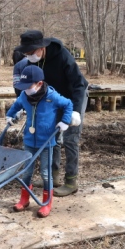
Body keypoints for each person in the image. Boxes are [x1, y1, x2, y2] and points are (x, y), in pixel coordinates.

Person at [13, 30, 88, 197]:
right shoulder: (25, 61)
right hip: (51, 100)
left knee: (70, 139)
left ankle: (71, 181)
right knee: (51, 138)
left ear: (42, 47)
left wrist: (75, 111)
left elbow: (79, 85)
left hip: (73, 98)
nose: (29, 56)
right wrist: (23, 107)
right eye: (26, 53)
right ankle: (53, 178)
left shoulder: (62, 56)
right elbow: (22, 87)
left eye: (32, 52)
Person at [6, 65, 73, 218]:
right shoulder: (24, 95)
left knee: (45, 173)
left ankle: (46, 203)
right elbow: (16, 105)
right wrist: (10, 115)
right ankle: (24, 199)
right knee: (26, 171)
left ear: (39, 84)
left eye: (29, 86)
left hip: (46, 142)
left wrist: (65, 121)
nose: (26, 90)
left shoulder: (52, 96)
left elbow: (68, 104)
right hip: (29, 141)